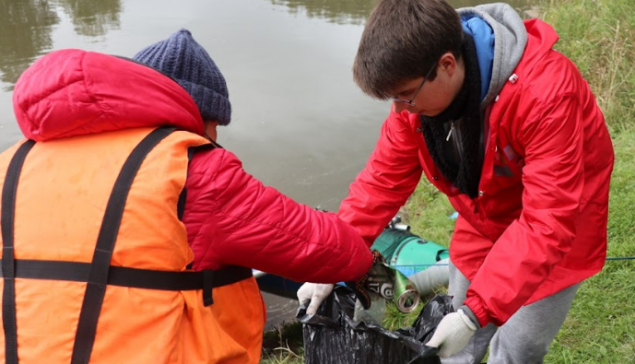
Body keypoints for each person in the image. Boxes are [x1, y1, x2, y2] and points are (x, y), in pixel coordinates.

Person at [0, 29, 374, 364]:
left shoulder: (12, 165)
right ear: (195, 117)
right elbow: (338, 251)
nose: (215, 138)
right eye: (214, 126)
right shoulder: (191, 167)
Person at [298, 0, 614, 363]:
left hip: (562, 225)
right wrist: (333, 262)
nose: (400, 110)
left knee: (519, 345)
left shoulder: (547, 94)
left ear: (447, 64)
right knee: (452, 338)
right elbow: (380, 183)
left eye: (406, 96)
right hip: (485, 213)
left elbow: (548, 221)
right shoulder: (416, 97)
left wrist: (473, 314)